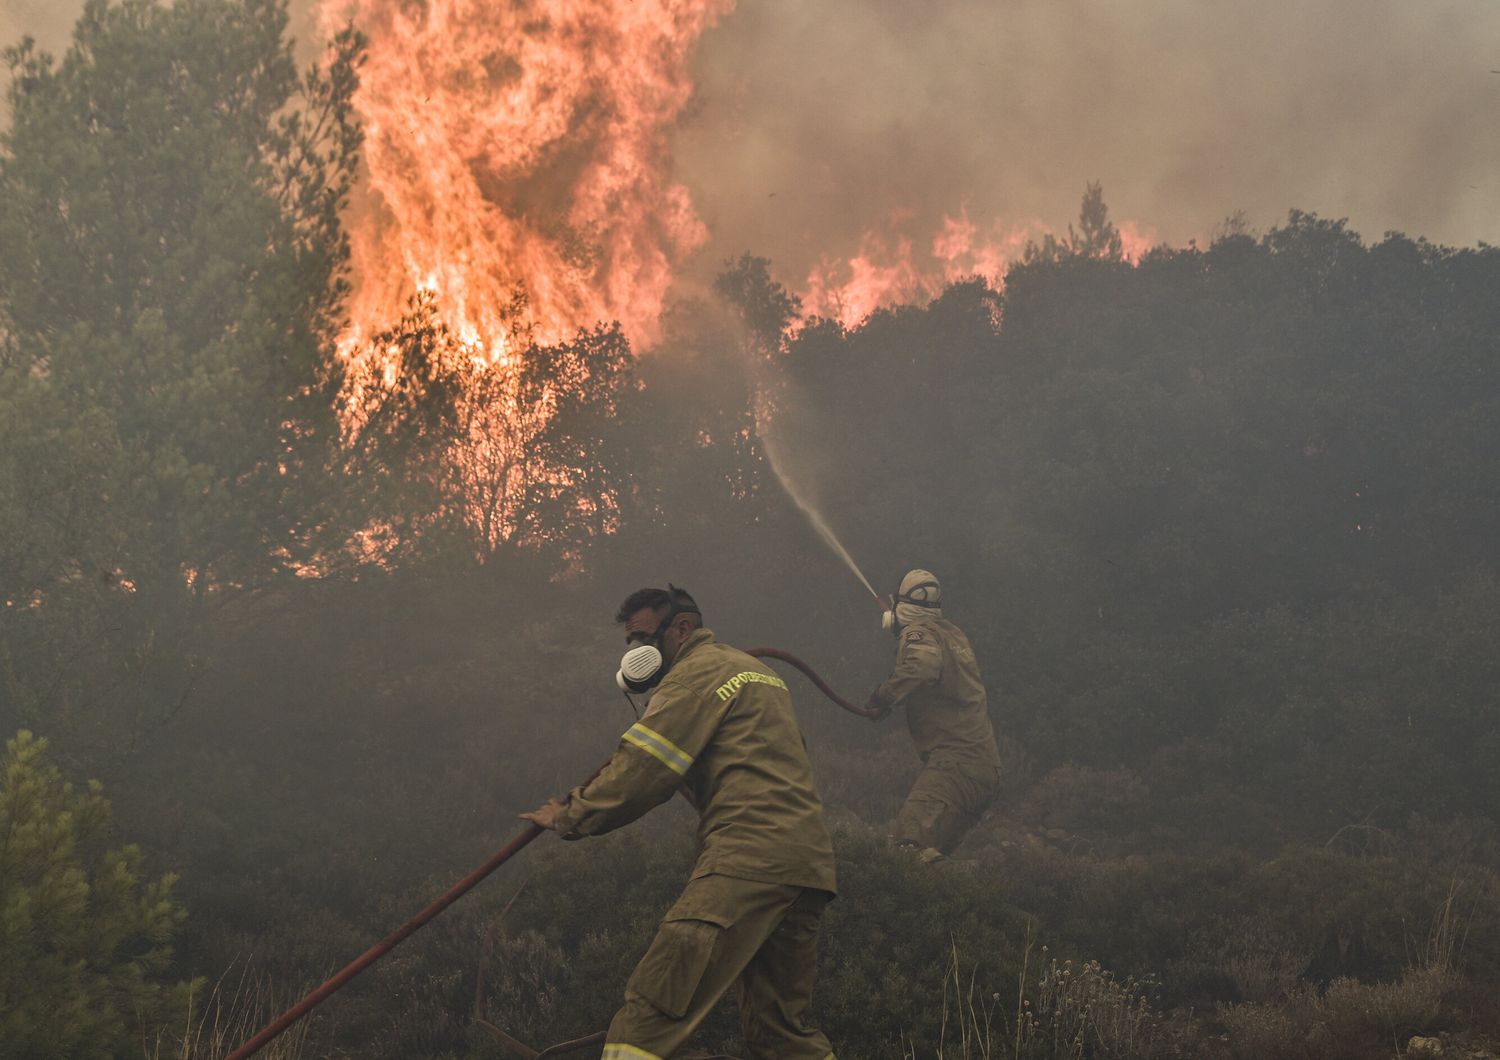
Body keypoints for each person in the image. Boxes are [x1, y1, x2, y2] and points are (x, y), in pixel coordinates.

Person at [521, 586, 838, 1060]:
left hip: (745, 860)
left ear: (682, 629)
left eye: (644, 638)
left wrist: (569, 813)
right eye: (630, 644)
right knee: (783, 1036)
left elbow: (644, 773)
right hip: (805, 866)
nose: (636, 653)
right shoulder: (757, 673)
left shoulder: (693, 678)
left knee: (647, 1019)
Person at [866, 569, 1001, 863]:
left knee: (907, 850)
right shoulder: (952, 634)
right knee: (930, 858)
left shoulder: (920, 633)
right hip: (982, 770)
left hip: (955, 765)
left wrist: (884, 694)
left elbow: (922, 667)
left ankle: (977, 904)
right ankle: (967, 906)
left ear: (901, 608)